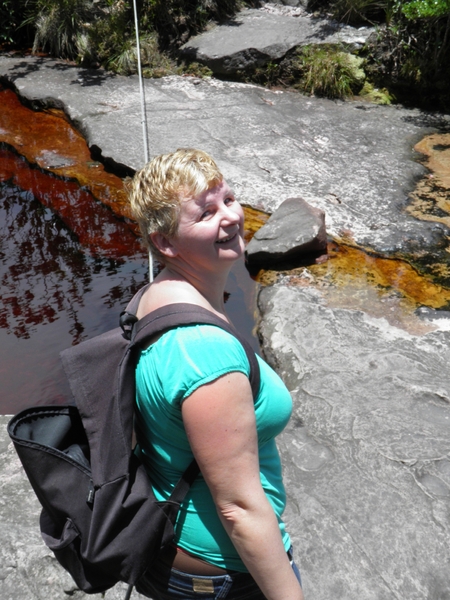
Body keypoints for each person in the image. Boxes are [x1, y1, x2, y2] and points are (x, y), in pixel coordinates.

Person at [127, 148, 304, 600]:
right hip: (221, 576)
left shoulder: (156, 295)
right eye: (206, 212)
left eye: (229, 198)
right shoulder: (204, 352)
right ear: (164, 243)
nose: (230, 217)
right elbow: (240, 509)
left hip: (182, 561)